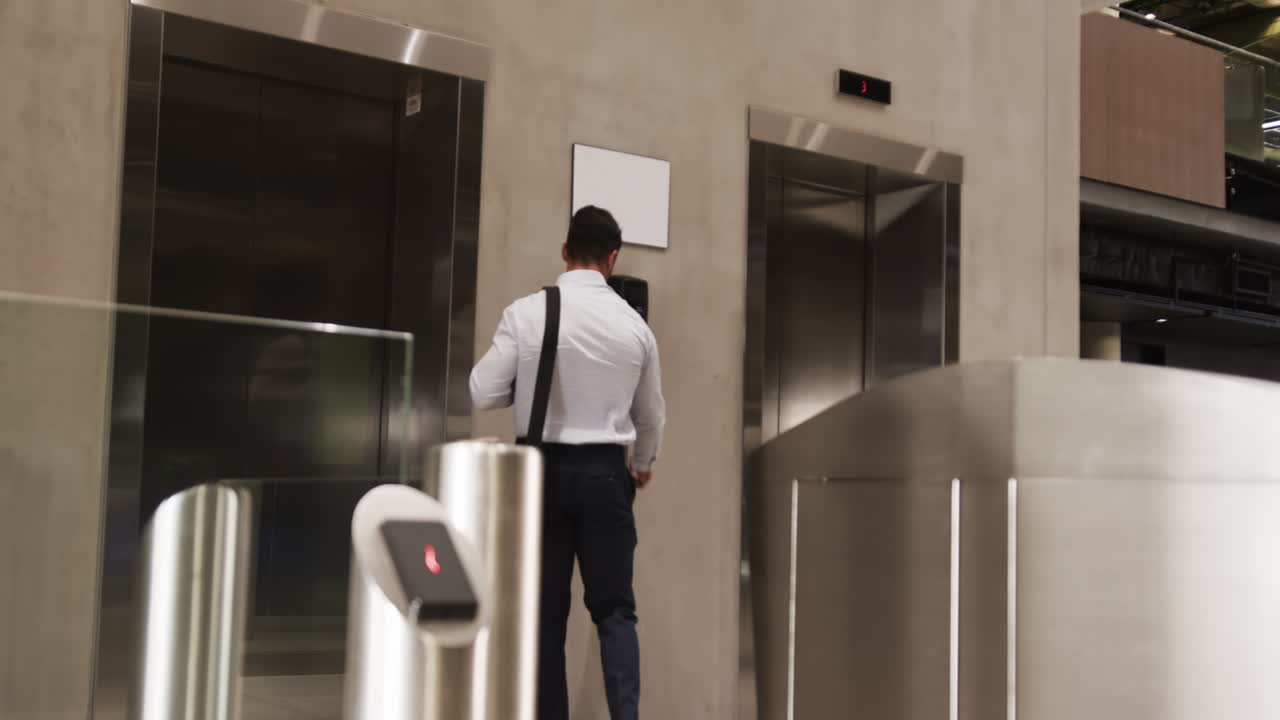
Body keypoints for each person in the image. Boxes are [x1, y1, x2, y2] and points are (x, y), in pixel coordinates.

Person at [470, 205, 665, 720]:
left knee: (543, 616)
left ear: (564, 252)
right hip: (605, 474)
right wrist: (641, 464)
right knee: (615, 613)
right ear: (612, 257)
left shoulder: (526, 313)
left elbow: (482, 391)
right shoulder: (634, 326)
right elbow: (651, 417)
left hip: (539, 477)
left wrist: (531, 384)